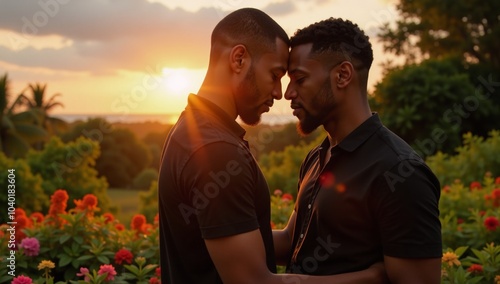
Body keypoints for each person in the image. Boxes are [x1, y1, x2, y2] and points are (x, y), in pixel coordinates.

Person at [158, 8, 388, 284]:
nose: (280, 93)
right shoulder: (217, 151)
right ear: (239, 59)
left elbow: (255, 243)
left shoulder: (190, 130)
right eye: (275, 74)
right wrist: (371, 277)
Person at [273, 17, 443, 283]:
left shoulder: (400, 171)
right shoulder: (317, 157)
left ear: (342, 75)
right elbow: (290, 242)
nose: (288, 93)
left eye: (300, 79)